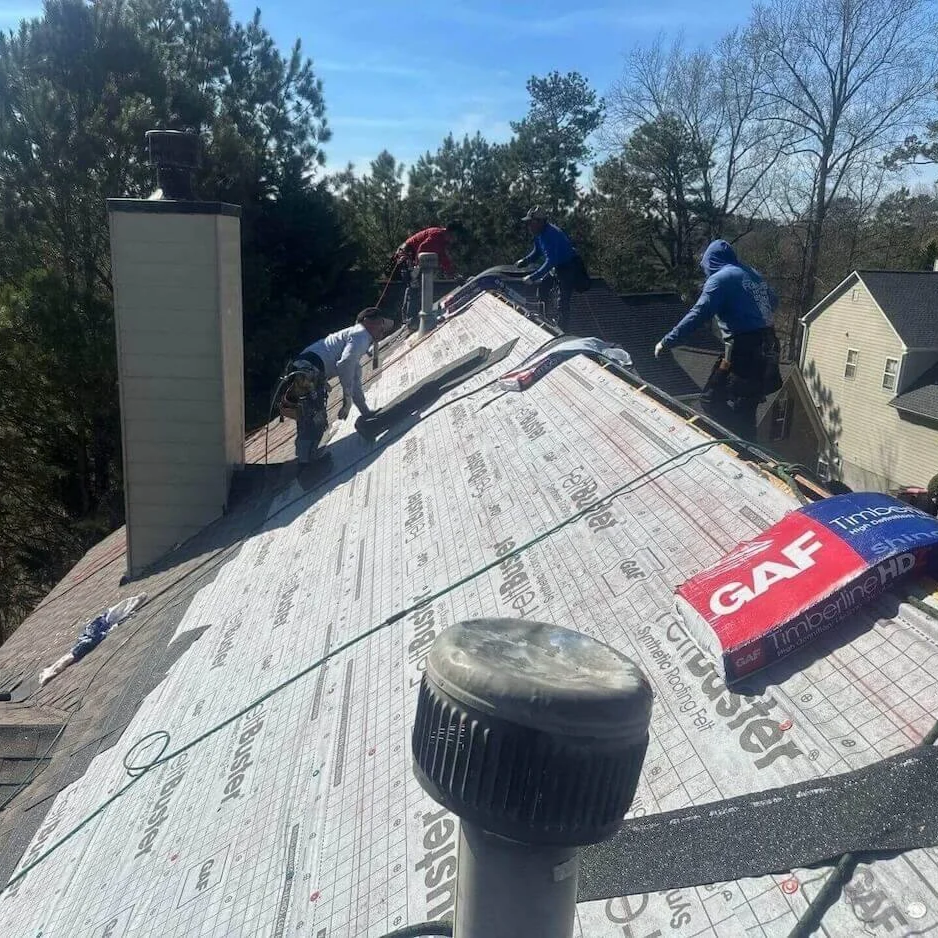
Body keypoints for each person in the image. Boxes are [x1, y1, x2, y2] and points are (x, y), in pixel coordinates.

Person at [654, 239, 781, 439]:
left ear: (710, 262)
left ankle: (737, 444)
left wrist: (667, 341)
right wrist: (749, 313)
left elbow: (698, 314)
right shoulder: (753, 274)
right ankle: (749, 451)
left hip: (744, 351)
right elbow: (773, 301)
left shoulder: (720, 279)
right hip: (768, 347)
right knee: (747, 407)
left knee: (710, 400)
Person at [287, 308, 395, 463]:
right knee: (314, 417)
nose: (382, 330)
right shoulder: (361, 335)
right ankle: (306, 461)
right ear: (368, 323)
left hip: (305, 368)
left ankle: (305, 457)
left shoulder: (355, 340)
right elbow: (344, 365)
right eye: (381, 324)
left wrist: (365, 412)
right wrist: (347, 400)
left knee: (309, 415)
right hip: (307, 371)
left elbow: (354, 380)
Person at [516, 207, 582, 332]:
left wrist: (533, 277)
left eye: (532, 222)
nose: (529, 225)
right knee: (543, 288)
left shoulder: (551, 234)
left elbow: (550, 261)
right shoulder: (538, 234)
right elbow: (537, 252)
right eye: (528, 222)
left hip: (569, 266)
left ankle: (563, 330)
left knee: (562, 300)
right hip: (557, 266)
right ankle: (543, 318)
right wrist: (524, 261)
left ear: (540, 222)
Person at [394, 222, 464, 279]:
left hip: (412, 253)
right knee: (409, 279)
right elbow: (422, 247)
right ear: (451, 232)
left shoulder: (443, 241)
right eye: (456, 236)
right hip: (406, 252)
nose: (456, 239)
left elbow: (443, 257)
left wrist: (451, 272)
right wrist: (416, 265)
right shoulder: (437, 235)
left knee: (414, 279)